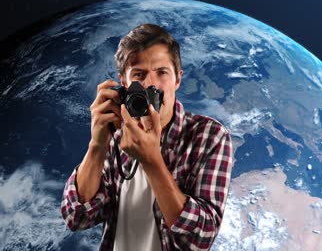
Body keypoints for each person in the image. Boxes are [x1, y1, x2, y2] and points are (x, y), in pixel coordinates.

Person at [61, 24, 233, 251]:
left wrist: (151, 160)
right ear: (124, 83)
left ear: (177, 80)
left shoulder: (209, 136)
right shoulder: (117, 135)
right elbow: (77, 217)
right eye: (139, 75)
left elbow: (199, 239)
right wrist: (97, 144)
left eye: (162, 72)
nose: (151, 84)